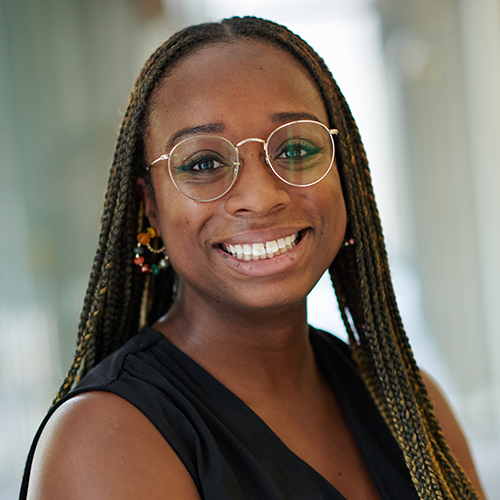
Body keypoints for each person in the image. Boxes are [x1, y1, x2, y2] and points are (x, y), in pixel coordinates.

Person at [20, 16, 485, 500]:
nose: (261, 197)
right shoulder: (105, 439)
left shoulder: (410, 402)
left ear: (344, 173)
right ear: (151, 207)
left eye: (296, 148)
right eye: (204, 163)